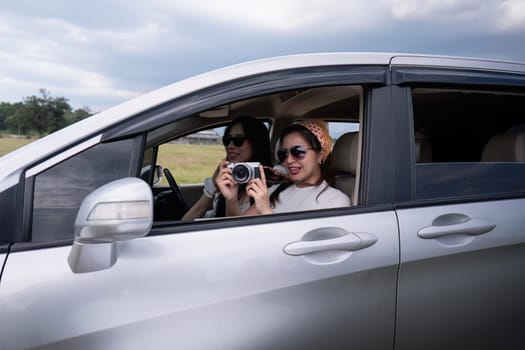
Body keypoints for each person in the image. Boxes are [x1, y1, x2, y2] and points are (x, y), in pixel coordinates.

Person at [217, 120, 350, 216]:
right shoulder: (275, 191)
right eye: (283, 153)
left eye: (298, 151)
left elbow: (296, 250)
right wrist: (231, 199)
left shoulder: (335, 201)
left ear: (320, 155)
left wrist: (265, 210)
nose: (289, 160)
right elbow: (237, 228)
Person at [181, 116, 272, 220]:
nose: (230, 145)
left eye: (238, 140)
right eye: (227, 140)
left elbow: (237, 228)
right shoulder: (225, 175)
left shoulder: (265, 189)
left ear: (256, 143)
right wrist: (213, 187)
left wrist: (231, 199)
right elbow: (195, 213)